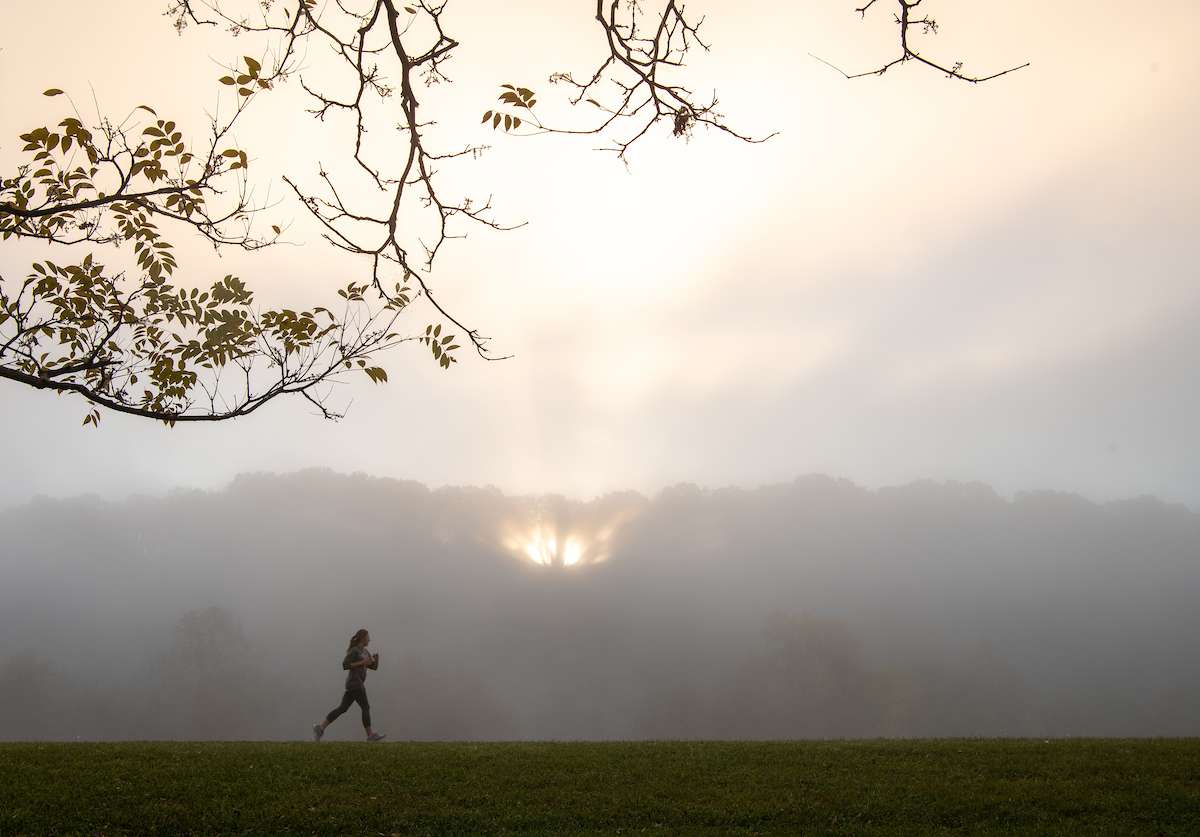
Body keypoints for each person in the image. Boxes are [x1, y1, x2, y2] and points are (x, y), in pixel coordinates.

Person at [313, 628, 386, 741]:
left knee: (342, 708)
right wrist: (363, 662)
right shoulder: (354, 651)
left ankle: (320, 728)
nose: (369, 640)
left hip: (355, 684)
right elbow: (345, 665)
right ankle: (370, 735)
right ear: (362, 638)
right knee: (365, 707)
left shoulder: (365, 652)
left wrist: (376, 660)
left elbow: (373, 667)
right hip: (355, 683)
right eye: (368, 637)